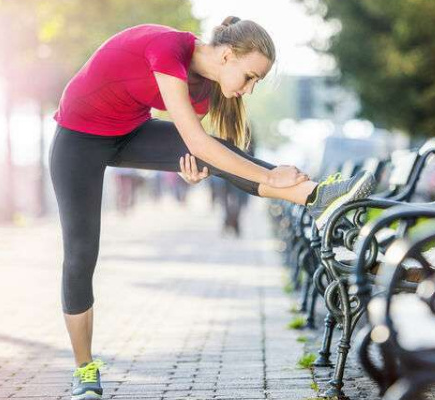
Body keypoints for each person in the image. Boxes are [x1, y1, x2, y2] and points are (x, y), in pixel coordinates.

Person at [49, 17, 375, 400]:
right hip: (78, 139)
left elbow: (204, 153)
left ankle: (317, 197)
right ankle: (84, 369)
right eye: (251, 77)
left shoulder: (202, 91)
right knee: (81, 252)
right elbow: (199, 145)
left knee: (226, 155)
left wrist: (192, 170)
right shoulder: (168, 49)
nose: (250, 89)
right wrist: (268, 176)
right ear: (226, 55)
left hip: (129, 133)